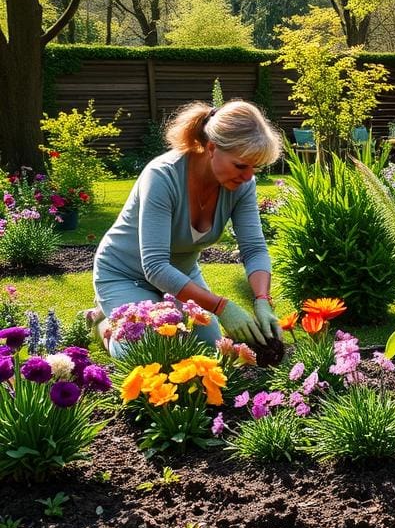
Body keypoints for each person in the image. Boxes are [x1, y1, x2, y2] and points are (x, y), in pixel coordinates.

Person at [93, 99, 284, 355]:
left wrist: (262, 300)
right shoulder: (162, 176)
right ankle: (102, 324)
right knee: (144, 350)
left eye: (255, 167)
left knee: (209, 349)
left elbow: (254, 248)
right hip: (125, 274)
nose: (248, 176)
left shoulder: (241, 185)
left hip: (182, 275)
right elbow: (155, 266)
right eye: (240, 165)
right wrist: (221, 306)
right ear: (212, 148)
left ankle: (135, 313)